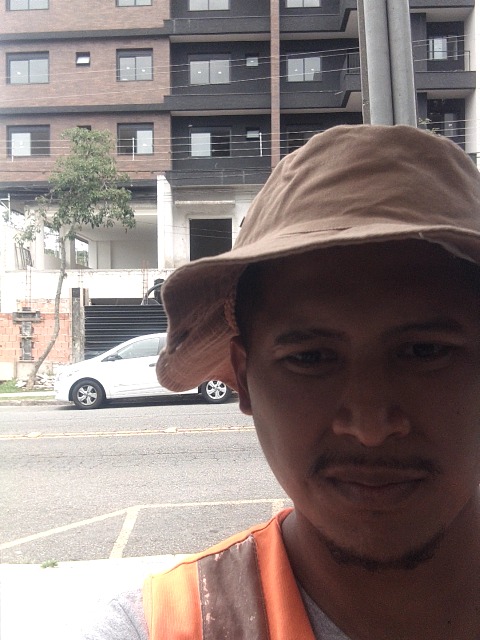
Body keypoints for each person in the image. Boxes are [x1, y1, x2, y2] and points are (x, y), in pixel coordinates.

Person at [83, 124, 480, 639]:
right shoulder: (164, 627)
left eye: (424, 351)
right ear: (244, 380)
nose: (370, 428)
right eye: (310, 358)